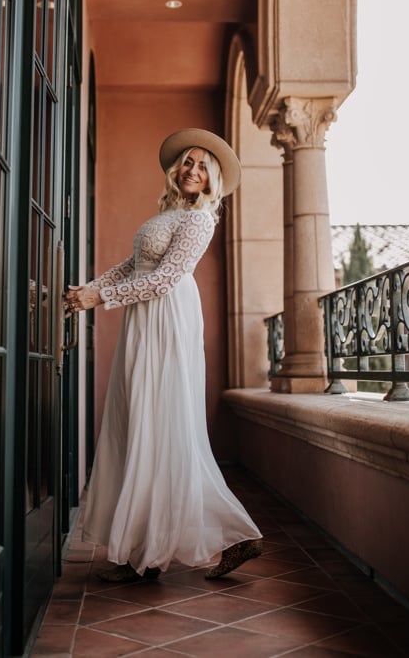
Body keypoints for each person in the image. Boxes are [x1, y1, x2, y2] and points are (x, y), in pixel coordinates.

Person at [64, 128, 262, 582]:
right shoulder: (172, 212)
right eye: (187, 162)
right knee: (140, 422)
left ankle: (151, 554)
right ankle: (190, 541)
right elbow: (134, 267)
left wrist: (101, 299)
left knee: (160, 425)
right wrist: (90, 289)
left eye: (202, 166)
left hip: (165, 320)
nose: (192, 170)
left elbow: (164, 280)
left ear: (213, 179)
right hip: (143, 320)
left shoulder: (199, 220)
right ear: (178, 170)